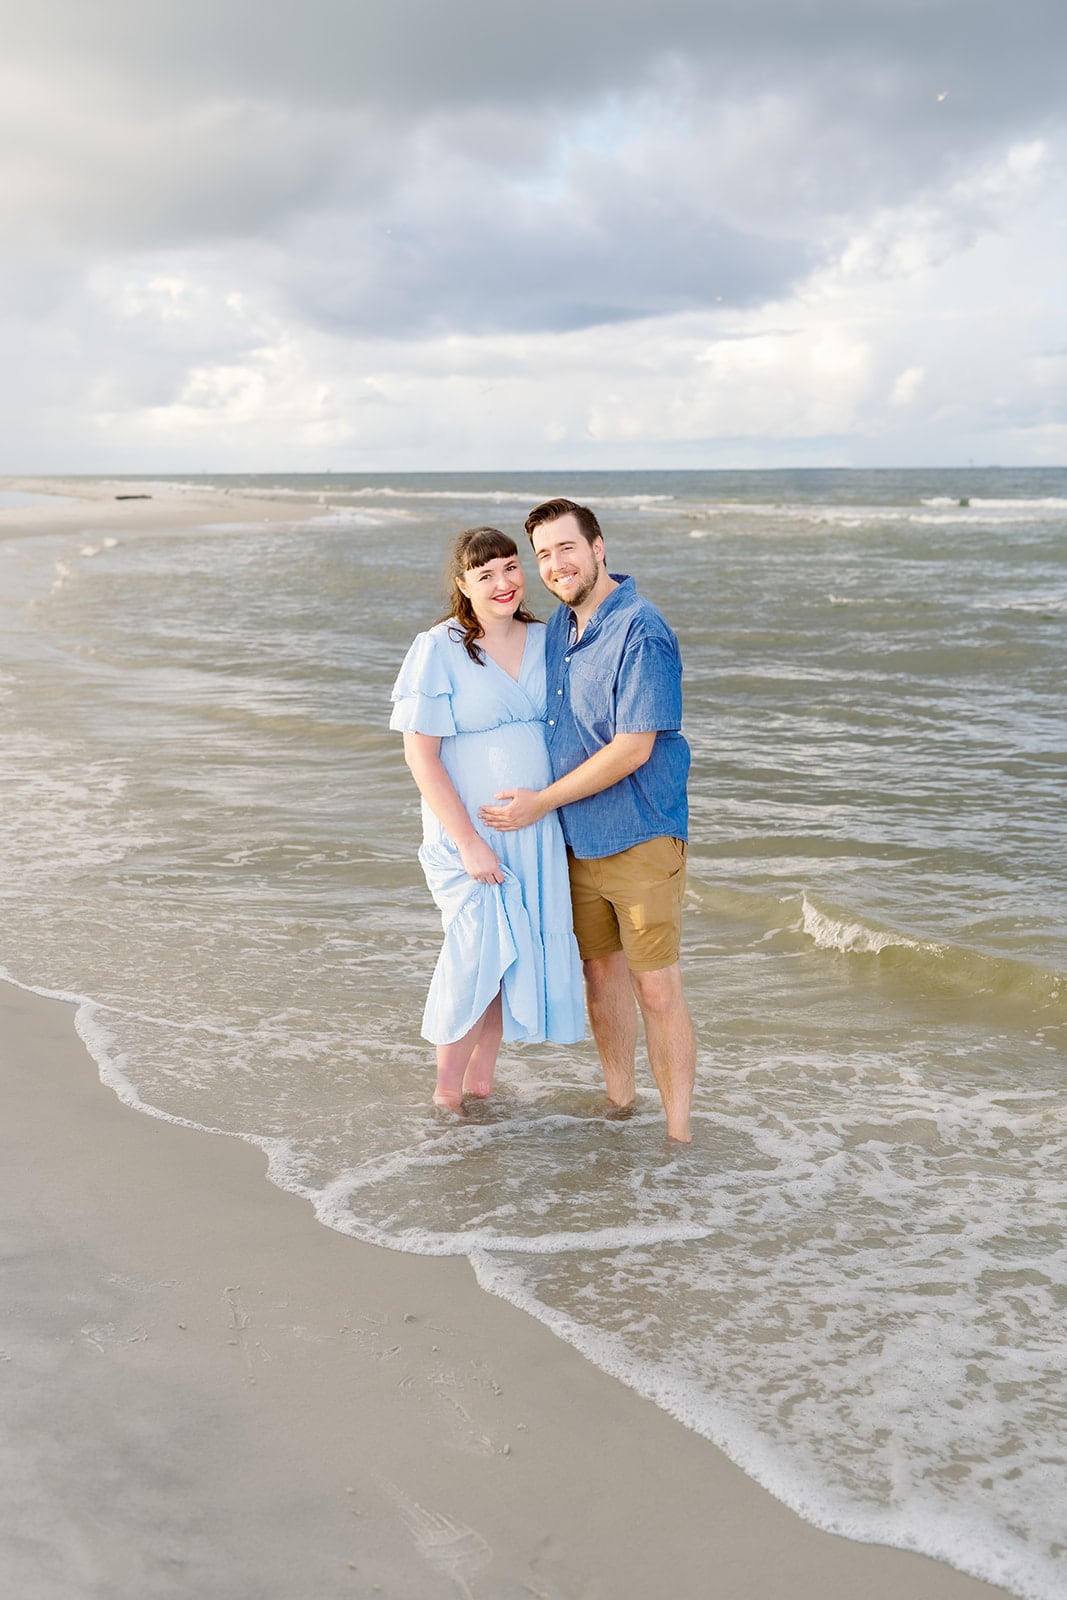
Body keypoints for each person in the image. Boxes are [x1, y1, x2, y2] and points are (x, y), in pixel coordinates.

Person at [479, 498, 696, 1142]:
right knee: (600, 978)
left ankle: (679, 1137)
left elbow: (634, 747)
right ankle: (621, 1107)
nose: (554, 565)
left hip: (641, 835)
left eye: (566, 548)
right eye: (543, 555)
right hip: (574, 842)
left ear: (599, 548)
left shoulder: (640, 630)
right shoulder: (559, 635)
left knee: (656, 989)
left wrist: (539, 803)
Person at [390, 526, 584, 1111]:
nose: (503, 583)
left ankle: (480, 1088)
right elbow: (420, 756)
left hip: (535, 829)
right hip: (469, 838)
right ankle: (446, 1096)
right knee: (476, 955)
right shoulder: (439, 647)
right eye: (485, 574)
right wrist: (469, 841)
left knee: (508, 960)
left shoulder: (551, 638)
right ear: (462, 585)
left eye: (510, 567)